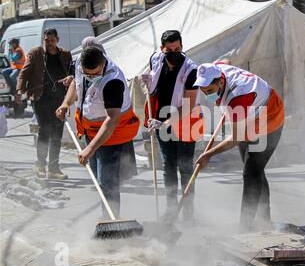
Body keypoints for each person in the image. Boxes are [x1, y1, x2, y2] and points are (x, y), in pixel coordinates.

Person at [193, 62, 285, 232]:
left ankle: (246, 227)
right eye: (204, 92)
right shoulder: (217, 68)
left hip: (269, 117)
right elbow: (226, 63)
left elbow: (236, 138)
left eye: (210, 91)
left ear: (221, 82)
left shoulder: (237, 98)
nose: (207, 96)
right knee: (255, 170)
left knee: (251, 173)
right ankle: (265, 219)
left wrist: (208, 154)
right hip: (249, 115)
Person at [56, 47, 140, 218]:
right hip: (91, 130)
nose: (91, 77)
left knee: (107, 181)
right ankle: (109, 214)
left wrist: (89, 149)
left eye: (94, 74)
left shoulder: (113, 81)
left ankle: (111, 220)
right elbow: (76, 83)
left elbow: (112, 119)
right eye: (88, 73)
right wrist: (66, 103)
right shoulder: (80, 63)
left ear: (103, 63)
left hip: (113, 133)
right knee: (98, 177)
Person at [142, 30, 202, 223]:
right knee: (168, 165)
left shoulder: (191, 70)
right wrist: (148, 79)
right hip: (161, 117)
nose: (174, 52)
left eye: (177, 49)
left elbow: (189, 106)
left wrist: (165, 123)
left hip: (186, 120)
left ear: (182, 47)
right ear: (162, 49)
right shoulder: (156, 59)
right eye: (170, 49)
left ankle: (188, 211)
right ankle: (170, 209)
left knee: (185, 167)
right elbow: (154, 81)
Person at [17, 28, 73, 179]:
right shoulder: (35, 53)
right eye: (46, 40)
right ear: (43, 40)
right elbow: (24, 72)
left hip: (59, 99)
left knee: (57, 133)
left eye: (52, 40)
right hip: (40, 98)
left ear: (57, 39)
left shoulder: (66, 55)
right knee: (45, 129)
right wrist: (19, 90)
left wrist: (71, 79)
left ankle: (54, 168)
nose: (49, 43)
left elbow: (72, 72)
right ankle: (40, 164)